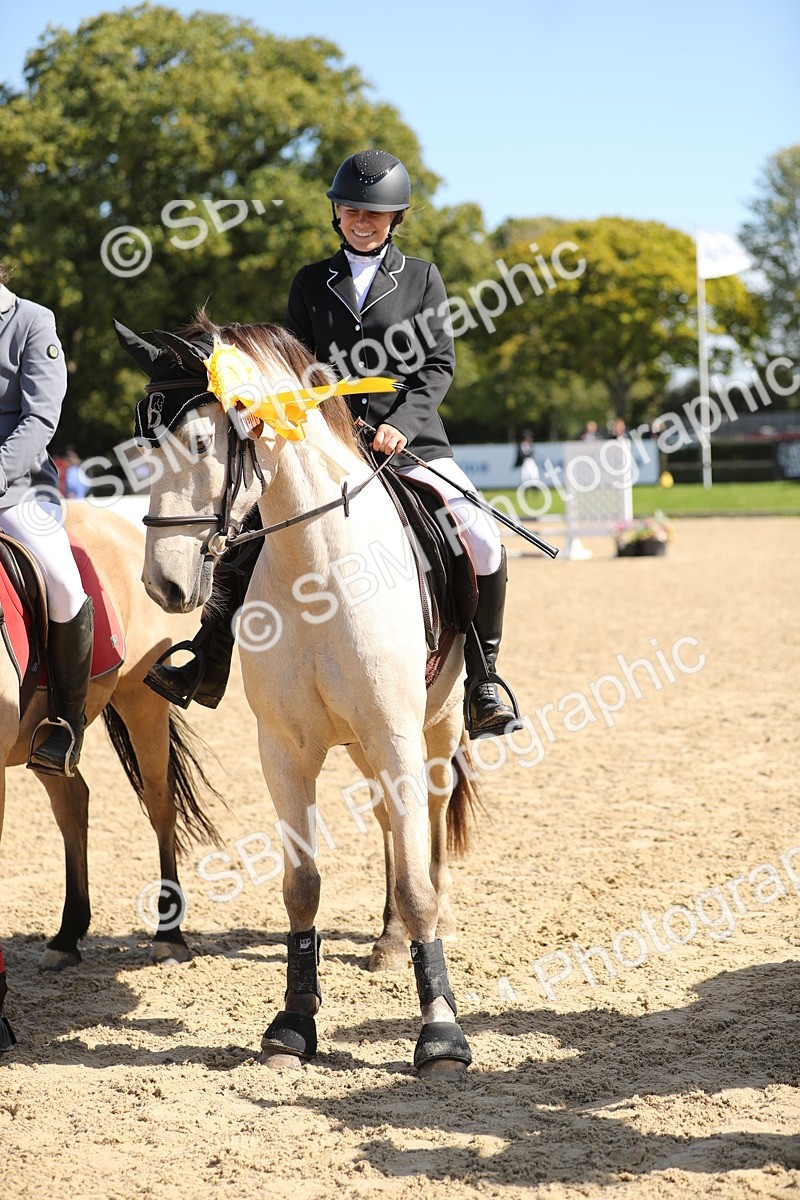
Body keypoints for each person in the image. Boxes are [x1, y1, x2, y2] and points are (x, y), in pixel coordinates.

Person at [146, 150, 523, 739]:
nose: (362, 221)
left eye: (375, 213)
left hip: (412, 440)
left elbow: (438, 366)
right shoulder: (311, 281)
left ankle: (484, 677)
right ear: (338, 215)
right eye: (351, 210)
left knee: (479, 535)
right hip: (327, 442)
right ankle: (209, 656)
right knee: (249, 533)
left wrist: (402, 420)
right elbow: (297, 369)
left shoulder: (422, 277)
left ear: (395, 218)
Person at [0, 265, 93, 775]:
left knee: (62, 582)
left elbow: (39, 419)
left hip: (17, 490)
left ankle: (65, 723)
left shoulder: (32, 322)